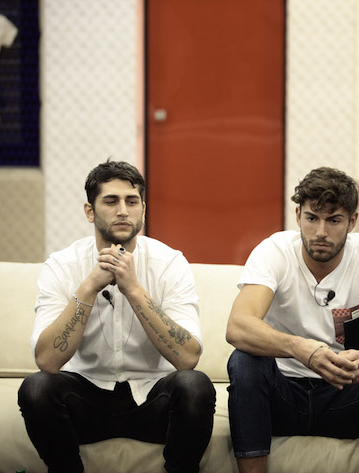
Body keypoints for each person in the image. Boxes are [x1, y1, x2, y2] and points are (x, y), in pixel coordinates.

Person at [225, 167, 359, 473]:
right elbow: (238, 325)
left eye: (334, 220)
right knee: (244, 360)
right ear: (298, 215)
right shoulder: (274, 251)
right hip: (282, 397)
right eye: (312, 218)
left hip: (347, 395)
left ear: (352, 221)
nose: (321, 232)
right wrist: (302, 350)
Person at [18, 160, 215, 473]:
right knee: (36, 388)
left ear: (143, 210)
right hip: (86, 400)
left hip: (153, 400)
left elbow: (188, 358)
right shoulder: (62, 265)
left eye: (132, 201)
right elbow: (47, 361)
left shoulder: (169, 263)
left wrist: (133, 289)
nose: (123, 211)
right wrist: (89, 287)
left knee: (195, 385)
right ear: (90, 211)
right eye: (111, 201)